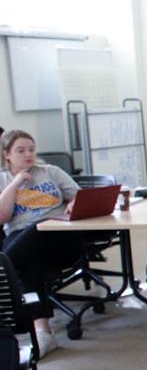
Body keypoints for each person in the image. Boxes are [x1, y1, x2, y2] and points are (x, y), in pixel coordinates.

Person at [0, 130, 86, 357]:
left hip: (60, 238)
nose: (28, 155)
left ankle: (3, 268)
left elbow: (81, 197)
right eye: (20, 150)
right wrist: (16, 182)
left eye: (31, 149)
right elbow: (2, 217)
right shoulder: (2, 180)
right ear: (7, 155)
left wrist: (73, 203)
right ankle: (43, 334)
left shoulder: (51, 172)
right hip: (21, 240)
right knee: (29, 265)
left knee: (38, 229)